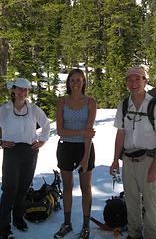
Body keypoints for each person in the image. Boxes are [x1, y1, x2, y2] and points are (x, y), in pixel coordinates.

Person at [0, 78, 50, 239]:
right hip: (12, 152)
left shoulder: (33, 109)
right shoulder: (4, 110)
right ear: (13, 90)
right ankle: (4, 227)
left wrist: (42, 140)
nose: (23, 93)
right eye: (20, 89)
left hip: (30, 151)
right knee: (9, 189)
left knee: (23, 188)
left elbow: (46, 124)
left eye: (26, 90)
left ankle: (18, 218)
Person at [110, 67, 156, 239]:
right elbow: (120, 133)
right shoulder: (124, 104)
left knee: (151, 204)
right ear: (126, 82)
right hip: (128, 160)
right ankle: (134, 235)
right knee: (131, 202)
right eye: (130, 80)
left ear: (145, 81)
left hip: (149, 160)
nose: (134, 83)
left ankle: (151, 236)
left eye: (138, 79)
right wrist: (115, 160)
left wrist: (154, 167)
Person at [54, 69, 97, 239]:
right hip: (65, 147)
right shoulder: (62, 102)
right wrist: (82, 132)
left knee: (86, 188)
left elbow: (89, 134)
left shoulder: (90, 102)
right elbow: (60, 130)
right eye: (72, 80)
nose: (75, 84)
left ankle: (86, 226)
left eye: (79, 80)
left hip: (84, 148)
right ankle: (67, 223)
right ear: (68, 82)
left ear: (84, 82)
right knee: (67, 187)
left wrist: (86, 156)